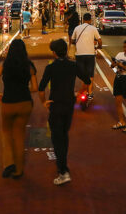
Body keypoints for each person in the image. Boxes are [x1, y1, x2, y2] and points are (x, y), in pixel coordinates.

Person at [38, 37, 90, 185]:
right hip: (69, 104)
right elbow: (87, 80)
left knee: (56, 137)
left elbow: (41, 88)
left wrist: (44, 102)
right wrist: (80, 94)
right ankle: (63, 166)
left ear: (54, 53)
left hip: (55, 104)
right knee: (64, 135)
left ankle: (63, 171)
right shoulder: (73, 65)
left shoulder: (51, 67)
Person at [0, 38, 37, 179]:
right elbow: (35, 88)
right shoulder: (29, 66)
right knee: (20, 136)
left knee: (6, 132)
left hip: (8, 103)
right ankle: (19, 171)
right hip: (25, 102)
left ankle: (9, 164)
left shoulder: (4, 66)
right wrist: (24, 90)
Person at [70, 12, 101, 101]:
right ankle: (90, 92)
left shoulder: (77, 28)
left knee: (82, 73)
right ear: (90, 20)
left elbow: (72, 40)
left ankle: (82, 91)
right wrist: (99, 47)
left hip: (79, 55)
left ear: (82, 20)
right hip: (90, 55)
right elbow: (99, 40)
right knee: (90, 74)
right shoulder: (93, 28)